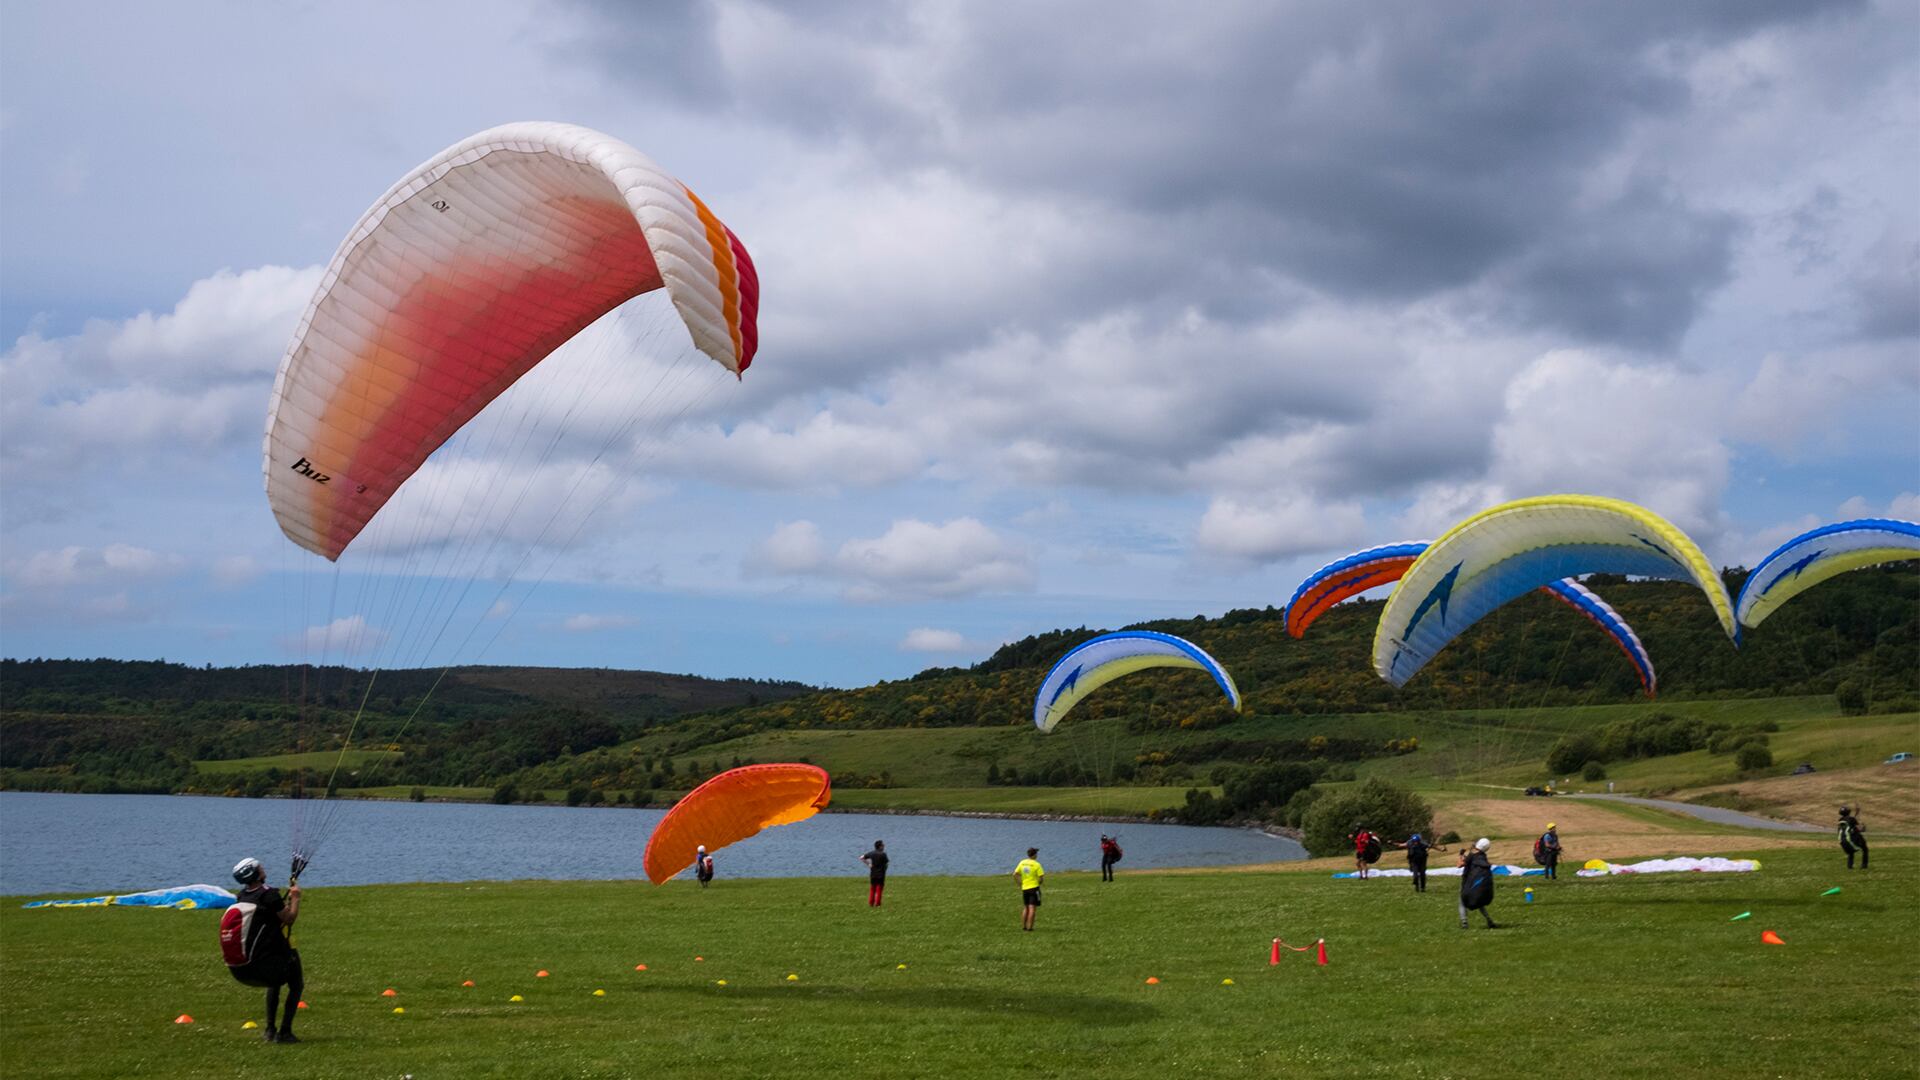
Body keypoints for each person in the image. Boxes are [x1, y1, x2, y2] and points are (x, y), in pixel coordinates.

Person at [228, 858, 303, 1043]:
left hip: (261, 955)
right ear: (254, 873)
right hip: (278, 951)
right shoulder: (269, 894)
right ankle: (285, 1032)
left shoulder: (242, 895)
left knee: (274, 984)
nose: (263, 868)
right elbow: (289, 918)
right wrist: (295, 898)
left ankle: (270, 1030)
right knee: (296, 985)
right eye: (259, 867)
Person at [1458, 838, 1497, 930]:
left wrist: (1460, 855)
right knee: (1478, 902)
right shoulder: (1483, 856)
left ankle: (1464, 922)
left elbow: (1459, 865)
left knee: (1462, 901)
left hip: (1467, 881)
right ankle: (1489, 920)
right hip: (1476, 883)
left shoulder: (1472, 855)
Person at [1014, 847, 1044, 931]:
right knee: (1032, 908)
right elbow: (1041, 877)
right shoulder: (1036, 864)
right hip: (1034, 888)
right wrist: (1040, 883)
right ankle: (1030, 928)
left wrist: (1020, 883)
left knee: (1026, 907)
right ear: (1034, 855)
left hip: (1025, 888)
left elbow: (1015, 874)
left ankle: (1024, 926)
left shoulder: (1022, 863)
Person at [861, 840, 889, 906]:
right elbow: (886, 864)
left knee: (872, 888)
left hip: (873, 874)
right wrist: (885, 869)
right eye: (883, 845)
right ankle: (878, 904)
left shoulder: (871, 853)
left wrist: (869, 864)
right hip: (881, 874)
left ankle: (871, 903)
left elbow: (862, 858)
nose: (884, 846)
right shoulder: (883, 854)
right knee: (879, 889)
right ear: (879, 846)